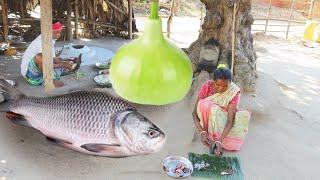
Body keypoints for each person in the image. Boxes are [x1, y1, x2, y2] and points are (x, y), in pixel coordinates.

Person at [192, 64, 250, 156]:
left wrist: (220, 141)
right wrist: (202, 132)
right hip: (209, 120)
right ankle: (209, 135)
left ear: (230, 83)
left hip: (224, 118)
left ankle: (217, 139)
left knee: (243, 116)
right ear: (213, 81)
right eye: (218, 85)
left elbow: (230, 121)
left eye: (225, 86)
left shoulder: (234, 91)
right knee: (204, 104)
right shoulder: (207, 86)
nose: (221, 89)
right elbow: (194, 113)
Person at [20, 22, 77, 87]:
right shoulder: (41, 42)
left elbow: (52, 58)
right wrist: (62, 65)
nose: (59, 34)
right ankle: (49, 80)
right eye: (57, 32)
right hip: (29, 73)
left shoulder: (50, 39)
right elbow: (45, 62)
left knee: (59, 60)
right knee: (40, 57)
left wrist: (64, 63)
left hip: (39, 67)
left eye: (60, 32)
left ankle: (58, 71)